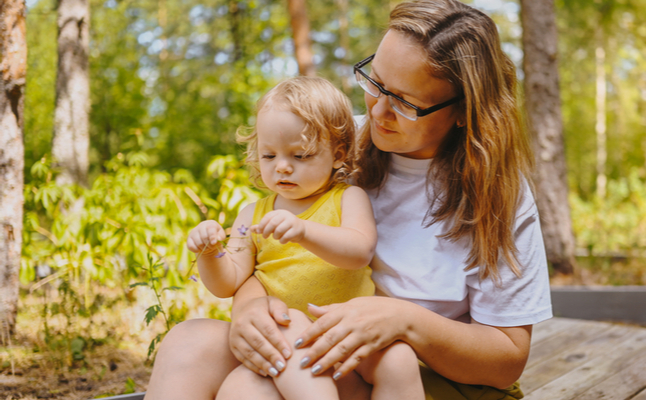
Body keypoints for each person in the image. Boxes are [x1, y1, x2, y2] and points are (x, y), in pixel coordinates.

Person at [145, 1, 552, 399]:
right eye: (374, 83)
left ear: (465, 110)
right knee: (187, 344)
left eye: (406, 104)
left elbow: (507, 360)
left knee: (252, 385)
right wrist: (249, 307)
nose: (377, 112)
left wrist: (404, 322)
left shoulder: (498, 192)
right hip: (321, 341)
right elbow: (267, 245)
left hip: (426, 373)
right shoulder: (330, 144)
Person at [181, 76, 424, 400]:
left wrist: (305, 231)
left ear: (337, 154)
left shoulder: (346, 198)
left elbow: (359, 250)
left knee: (400, 358)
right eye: (269, 156)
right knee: (281, 335)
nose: (282, 167)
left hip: (348, 335)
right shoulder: (250, 216)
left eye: (300, 156)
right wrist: (211, 253)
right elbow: (229, 282)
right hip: (283, 335)